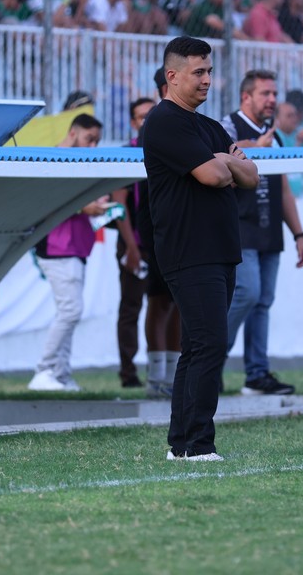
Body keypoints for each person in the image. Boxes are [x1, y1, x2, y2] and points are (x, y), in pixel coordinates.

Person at [143, 36, 259, 461]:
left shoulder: (209, 126)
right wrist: (225, 162)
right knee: (210, 344)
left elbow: (252, 176)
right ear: (172, 76)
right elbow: (214, 176)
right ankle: (197, 445)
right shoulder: (164, 122)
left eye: (209, 71)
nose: (207, 80)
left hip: (220, 250)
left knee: (197, 347)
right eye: (199, 72)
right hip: (188, 251)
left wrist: (224, 161)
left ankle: (182, 444)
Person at [220, 70, 303, 395]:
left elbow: (284, 189)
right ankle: (210, 359)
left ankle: (256, 376)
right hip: (239, 227)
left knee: (263, 302)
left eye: (274, 94)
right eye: (265, 94)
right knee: (248, 292)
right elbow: (219, 151)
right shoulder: (228, 125)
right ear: (246, 97)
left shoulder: (278, 136)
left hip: (270, 230)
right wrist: (253, 147)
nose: (273, 100)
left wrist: (299, 234)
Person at [28, 114, 106, 392]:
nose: (93, 147)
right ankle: (44, 370)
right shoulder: (52, 158)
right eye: (89, 139)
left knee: (69, 311)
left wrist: (95, 203)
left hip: (75, 246)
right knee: (71, 310)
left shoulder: (80, 160)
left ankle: (59, 373)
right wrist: (86, 206)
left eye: (97, 141)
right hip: (57, 246)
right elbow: (45, 200)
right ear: (73, 133)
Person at [135, 70, 181, 398]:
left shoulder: (182, 120)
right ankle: (157, 378)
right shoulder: (156, 124)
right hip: (157, 225)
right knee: (160, 300)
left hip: (183, 225)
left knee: (180, 301)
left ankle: (175, 375)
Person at [110, 97, 155, 388]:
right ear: (132, 122)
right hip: (134, 242)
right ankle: (128, 373)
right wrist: (132, 247)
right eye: (141, 117)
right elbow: (119, 203)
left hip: (164, 242)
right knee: (131, 308)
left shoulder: (168, 149)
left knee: (164, 306)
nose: (146, 121)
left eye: (151, 116)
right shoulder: (125, 154)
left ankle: (163, 369)